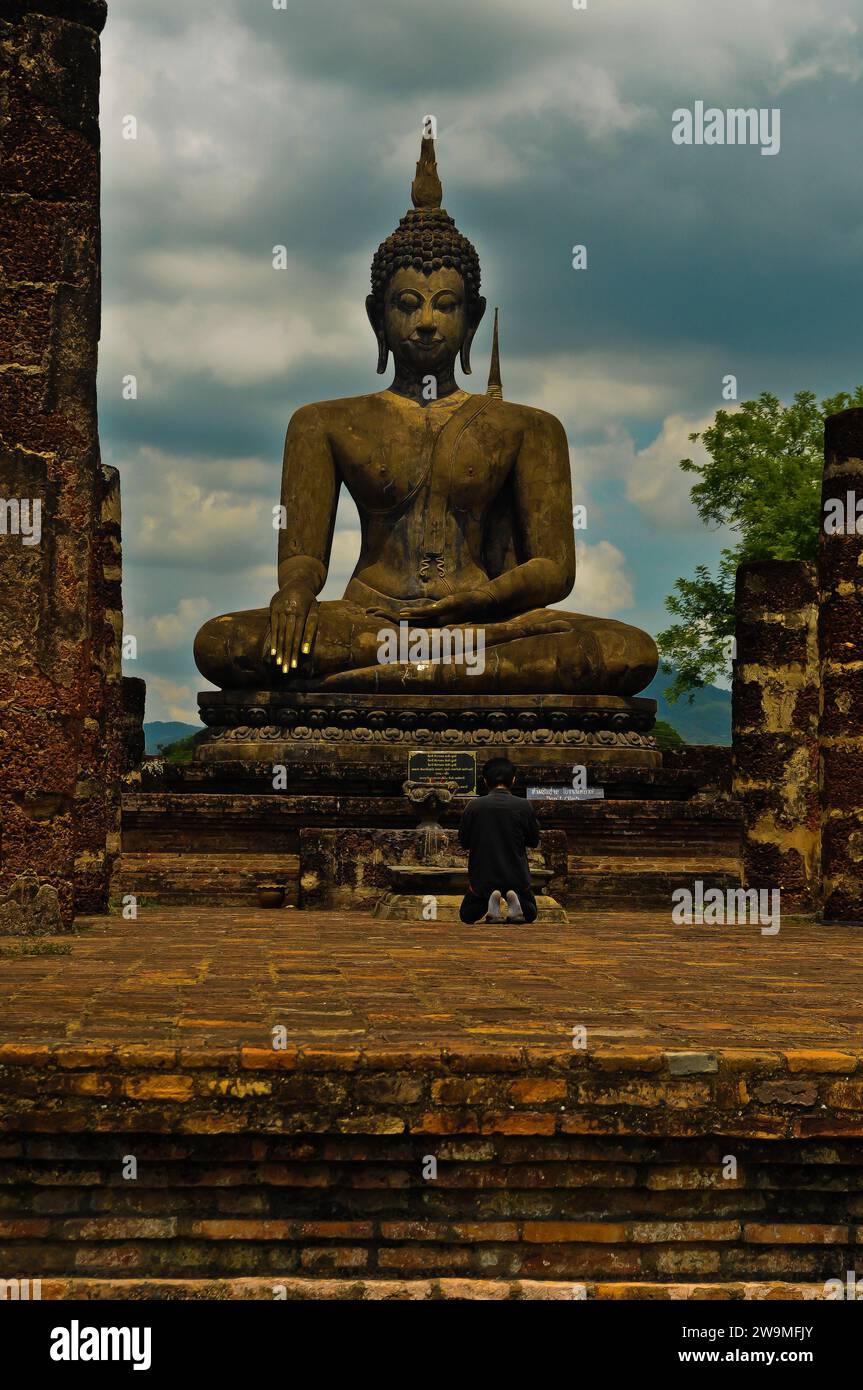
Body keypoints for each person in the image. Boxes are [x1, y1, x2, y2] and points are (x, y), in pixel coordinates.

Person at [458, 757, 540, 924]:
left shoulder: (474, 806)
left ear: (486, 781)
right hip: (516, 877)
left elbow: (464, 842)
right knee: (531, 913)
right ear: (513, 780)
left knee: (467, 915)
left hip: (483, 878)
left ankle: (491, 901)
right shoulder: (524, 806)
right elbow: (533, 840)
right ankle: (514, 899)